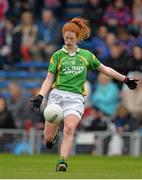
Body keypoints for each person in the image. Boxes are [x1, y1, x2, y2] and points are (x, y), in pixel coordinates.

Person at [30, 17, 138, 172]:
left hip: (75, 98)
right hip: (57, 96)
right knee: (47, 138)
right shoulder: (57, 56)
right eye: (66, 38)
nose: (68, 41)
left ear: (78, 38)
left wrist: (125, 79)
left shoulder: (86, 56)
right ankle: (52, 137)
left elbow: (105, 69)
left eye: (71, 39)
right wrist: (40, 96)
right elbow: (49, 79)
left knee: (69, 129)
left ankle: (62, 162)